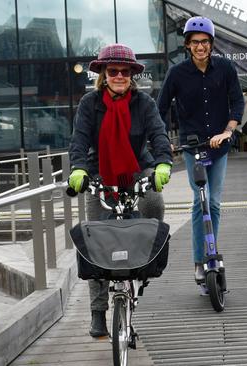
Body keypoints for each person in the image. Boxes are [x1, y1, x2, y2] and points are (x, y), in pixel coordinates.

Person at [68, 43, 172, 337]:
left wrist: (163, 164)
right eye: (112, 70)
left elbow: (158, 135)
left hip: (137, 166)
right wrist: (77, 169)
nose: (119, 75)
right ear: (103, 73)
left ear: (132, 75)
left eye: (125, 71)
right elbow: (79, 140)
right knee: (95, 236)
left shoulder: (144, 104)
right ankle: (98, 312)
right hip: (99, 169)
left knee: (153, 202)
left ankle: (146, 261)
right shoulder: (89, 104)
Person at [157, 16, 245, 288]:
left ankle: (210, 254)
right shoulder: (177, 74)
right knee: (199, 202)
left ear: (211, 44)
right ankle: (199, 260)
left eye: (204, 42)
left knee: (215, 203)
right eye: (195, 42)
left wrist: (228, 131)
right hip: (192, 147)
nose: (200, 47)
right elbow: (158, 110)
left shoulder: (226, 69)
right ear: (187, 45)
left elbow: (237, 102)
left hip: (219, 148)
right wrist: (163, 140)